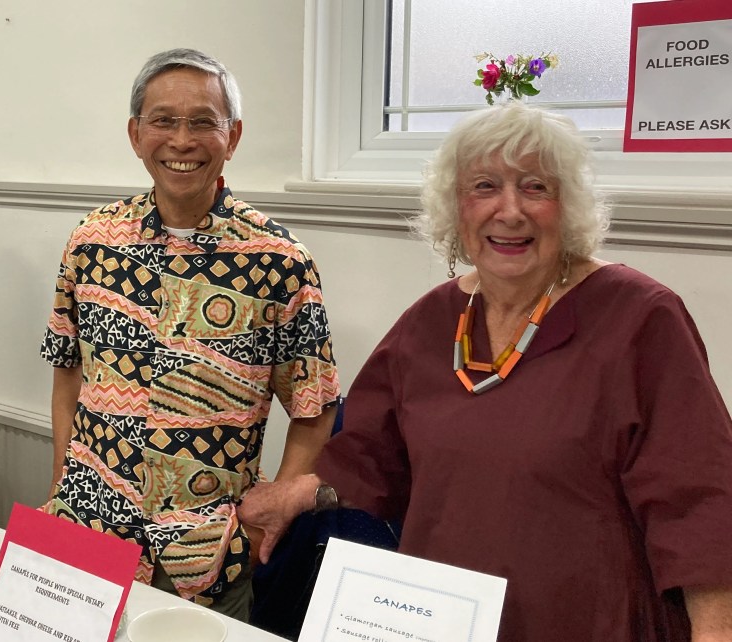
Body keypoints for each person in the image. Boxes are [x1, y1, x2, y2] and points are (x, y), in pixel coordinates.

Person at [239, 102, 732, 641]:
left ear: (569, 206)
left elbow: (700, 502)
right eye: (484, 186)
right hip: (445, 618)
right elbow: (373, 459)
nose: (510, 211)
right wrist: (297, 494)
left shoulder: (640, 319)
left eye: (536, 187)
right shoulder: (432, 321)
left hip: (586, 620)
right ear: (455, 208)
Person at [39, 48, 339, 620]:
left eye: (203, 121)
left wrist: (271, 512)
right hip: (86, 533)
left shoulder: (281, 261)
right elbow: (67, 370)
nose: (182, 140)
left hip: (205, 557)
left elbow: (315, 405)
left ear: (233, 136)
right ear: (135, 134)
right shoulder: (91, 241)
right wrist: (61, 482)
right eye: (163, 120)